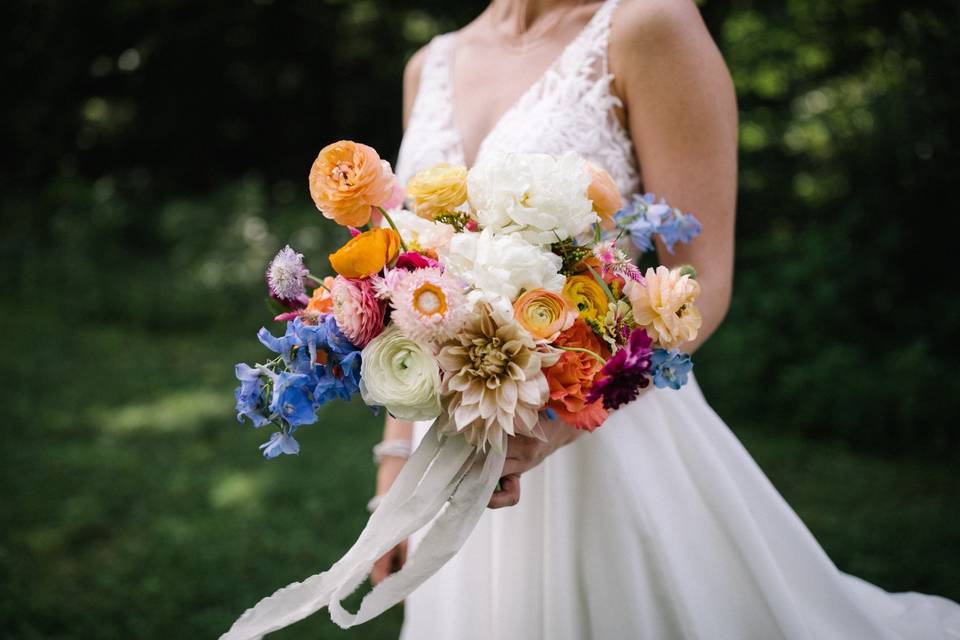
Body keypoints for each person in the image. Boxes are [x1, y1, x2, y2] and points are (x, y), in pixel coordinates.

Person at [371, 0, 960, 637]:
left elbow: (702, 278)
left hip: (604, 439)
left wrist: (559, 422)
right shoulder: (427, 65)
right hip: (456, 451)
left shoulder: (650, 25)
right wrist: (394, 470)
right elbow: (413, 292)